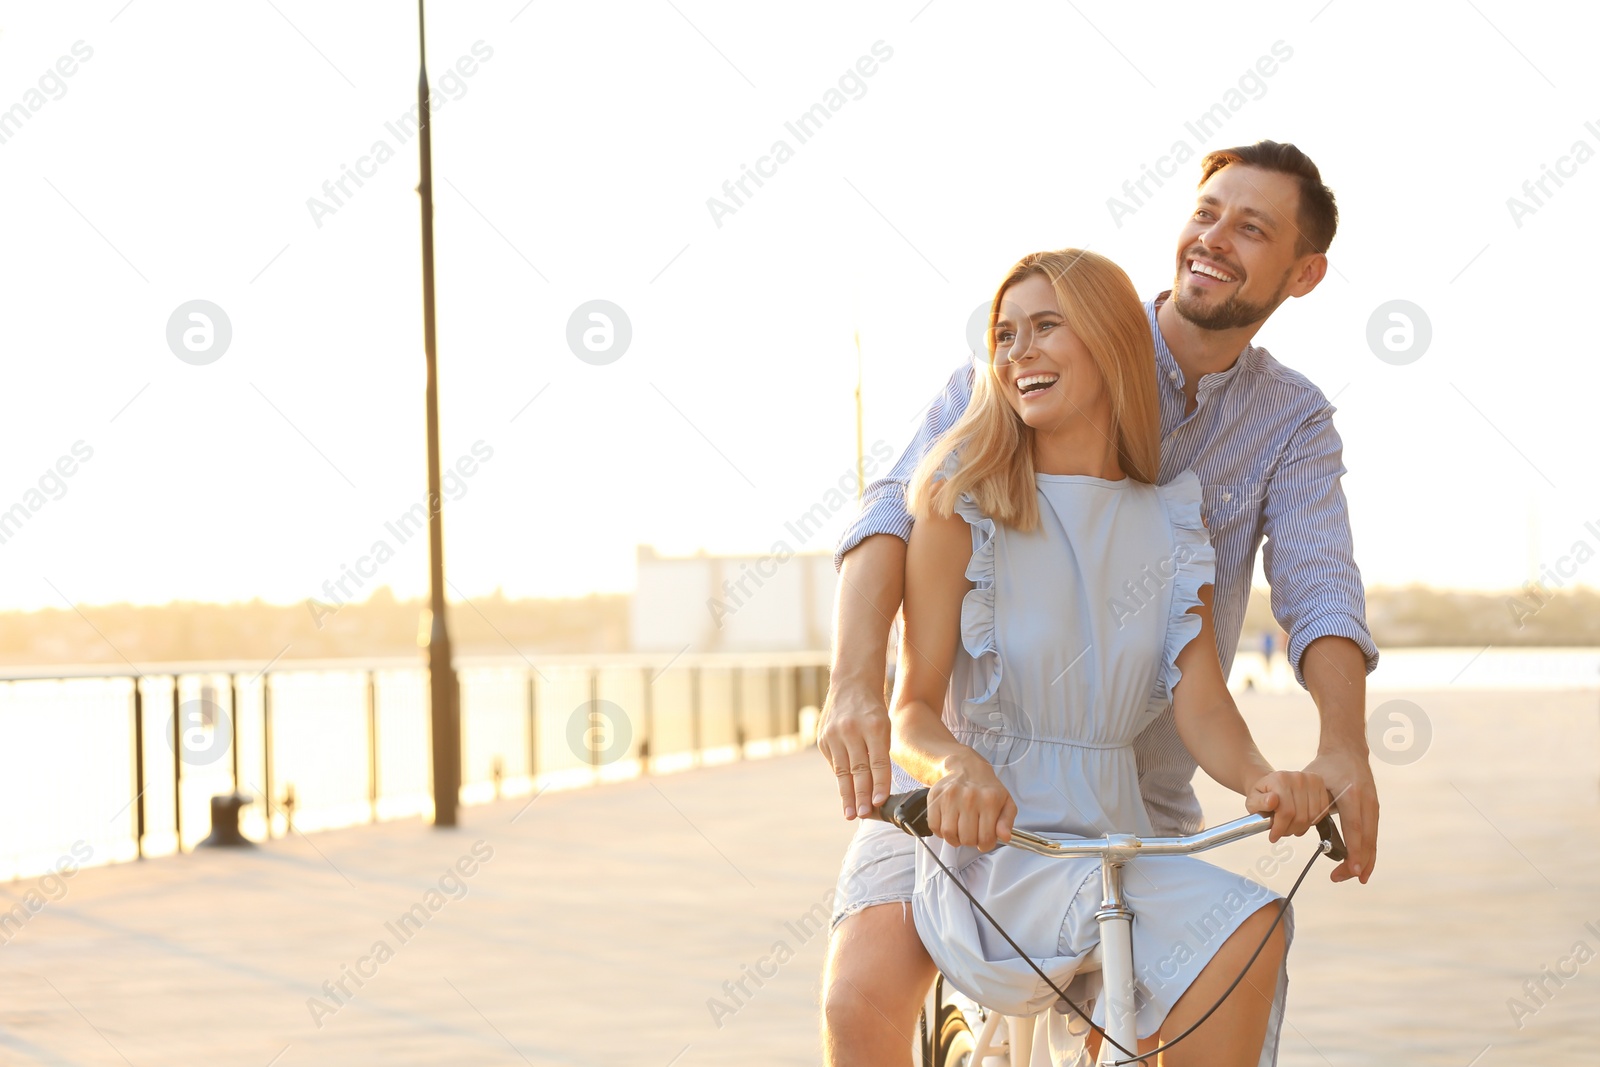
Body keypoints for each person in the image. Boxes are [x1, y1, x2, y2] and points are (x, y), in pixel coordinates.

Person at [818, 141, 1379, 1065]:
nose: (1214, 239)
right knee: (861, 995)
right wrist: (854, 688)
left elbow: (1318, 590)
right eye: (1207, 212)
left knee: (1192, 998)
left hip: (1132, 797)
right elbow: (889, 512)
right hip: (963, 792)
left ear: (1302, 271)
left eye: (1252, 227)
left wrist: (1328, 753)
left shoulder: (1273, 435)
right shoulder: (998, 415)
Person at [892, 247, 1326, 1062]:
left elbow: (1202, 705)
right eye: (1005, 333)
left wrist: (1266, 776)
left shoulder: (1169, 521)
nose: (1018, 350)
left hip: (1119, 841)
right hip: (1003, 847)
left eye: (1046, 326)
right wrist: (952, 767)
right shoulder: (963, 505)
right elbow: (910, 710)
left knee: (1255, 928)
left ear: (1111, 340)